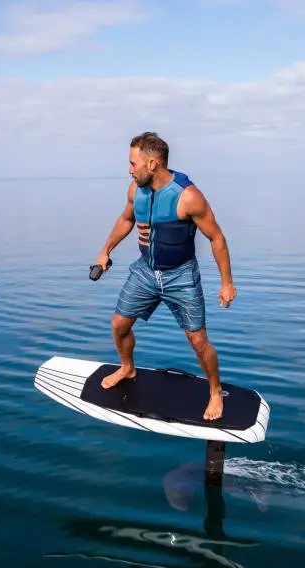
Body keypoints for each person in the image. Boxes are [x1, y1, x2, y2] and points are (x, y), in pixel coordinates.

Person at [94, 132, 237, 421]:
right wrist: (105, 252)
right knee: (119, 325)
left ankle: (214, 390)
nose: (130, 170)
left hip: (180, 276)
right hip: (145, 271)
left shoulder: (188, 196)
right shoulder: (136, 191)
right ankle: (127, 367)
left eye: (134, 164)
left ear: (153, 163)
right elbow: (126, 220)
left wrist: (227, 283)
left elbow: (217, 238)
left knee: (198, 341)